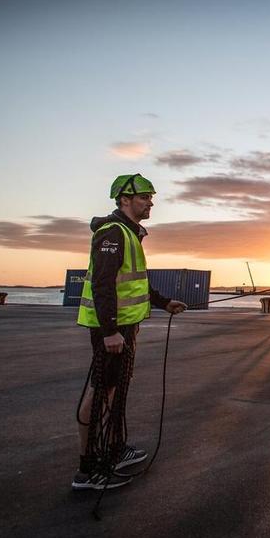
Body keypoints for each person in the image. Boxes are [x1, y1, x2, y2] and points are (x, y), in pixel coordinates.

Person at [73, 174, 187, 490]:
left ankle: (114, 449)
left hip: (124, 328)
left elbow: (132, 281)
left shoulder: (129, 233)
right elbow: (102, 284)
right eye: (145, 197)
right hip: (110, 329)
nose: (151, 202)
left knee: (116, 389)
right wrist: (110, 331)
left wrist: (164, 302)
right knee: (101, 391)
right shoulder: (113, 233)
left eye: (151, 197)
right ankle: (88, 468)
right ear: (125, 199)